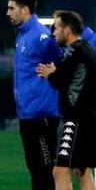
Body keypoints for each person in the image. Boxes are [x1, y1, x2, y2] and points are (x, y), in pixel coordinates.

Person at [8, 0, 62, 190]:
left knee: (44, 169)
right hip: (29, 114)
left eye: (12, 8)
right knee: (35, 168)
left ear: (25, 10)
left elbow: (62, 59)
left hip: (42, 115)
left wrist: (57, 70)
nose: (8, 13)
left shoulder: (41, 36)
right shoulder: (23, 35)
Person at [36, 11, 96, 190]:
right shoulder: (87, 50)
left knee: (60, 171)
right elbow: (71, 78)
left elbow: (59, 80)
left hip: (74, 121)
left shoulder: (74, 50)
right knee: (83, 171)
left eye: (57, 27)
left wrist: (50, 74)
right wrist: (56, 72)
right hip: (88, 119)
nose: (53, 32)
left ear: (68, 30)